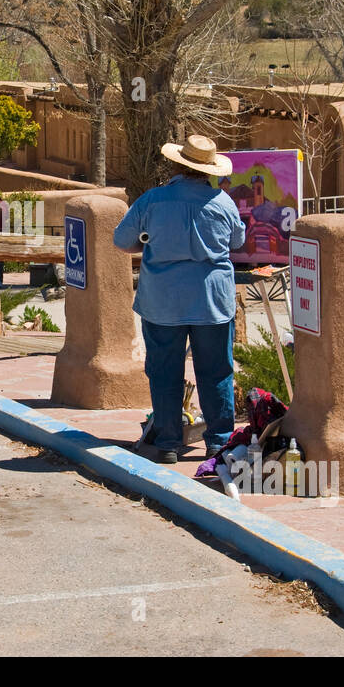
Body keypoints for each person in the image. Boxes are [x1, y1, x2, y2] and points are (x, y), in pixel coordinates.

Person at [114, 136, 246, 465]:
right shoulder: (223, 202)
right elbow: (238, 240)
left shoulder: (153, 200)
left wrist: (151, 245)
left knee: (163, 372)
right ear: (209, 170)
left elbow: (121, 239)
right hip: (211, 302)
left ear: (176, 165)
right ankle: (218, 442)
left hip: (163, 302)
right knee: (216, 372)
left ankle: (170, 443)